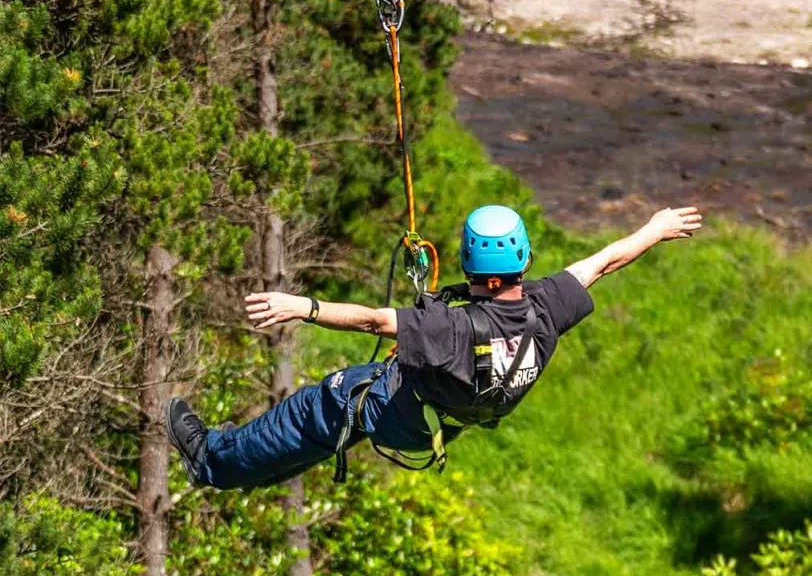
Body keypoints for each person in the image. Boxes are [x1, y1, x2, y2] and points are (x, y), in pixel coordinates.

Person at [166, 203, 702, 490]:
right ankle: (251, 471)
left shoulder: (454, 331)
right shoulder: (547, 308)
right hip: (438, 423)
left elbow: (376, 322)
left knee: (322, 404)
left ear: (470, 265)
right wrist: (655, 229)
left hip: (399, 408)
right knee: (326, 432)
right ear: (524, 260)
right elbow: (604, 262)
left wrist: (303, 307)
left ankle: (211, 459)